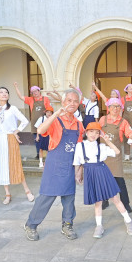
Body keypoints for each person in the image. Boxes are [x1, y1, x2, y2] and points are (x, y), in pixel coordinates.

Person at [23, 89, 83, 241]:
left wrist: (79, 170)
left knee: (69, 198)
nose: (72, 103)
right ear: (63, 102)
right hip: (55, 164)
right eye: (69, 100)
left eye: (75, 101)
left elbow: (80, 150)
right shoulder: (56, 120)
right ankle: (31, 225)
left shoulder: (78, 125)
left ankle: (67, 224)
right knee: (46, 196)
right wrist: (56, 114)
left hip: (70, 165)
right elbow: (41, 130)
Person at [73, 122, 132, 237]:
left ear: (99, 135)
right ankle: (99, 226)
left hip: (102, 172)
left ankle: (128, 221)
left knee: (115, 198)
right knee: (98, 201)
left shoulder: (101, 147)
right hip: (90, 173)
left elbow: (117, 152)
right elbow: (77, 162)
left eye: (97, 132)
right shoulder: (79, 146)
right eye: (91, 131)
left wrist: (107, 141)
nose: (93, 134)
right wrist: (77, 174)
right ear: (86, 132)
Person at [0, 86, 34, 204]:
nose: (4, 94)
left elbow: (25, 121)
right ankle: (7, 194)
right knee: (2, 166)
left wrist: (16, 131)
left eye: (6, 92)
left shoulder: (12, 108)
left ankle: (27, 191)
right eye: (1, 92)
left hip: (10, 138)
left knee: (16, 164)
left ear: (8, 96)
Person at [98, 96, 132, 212]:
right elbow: (96, 133)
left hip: (115, 154)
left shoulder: (123, 122)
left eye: (118, 106)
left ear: (121, 108)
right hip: (103, 154)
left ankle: (126, 204)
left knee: (119, 180)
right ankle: (104, 200)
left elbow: (129, 133)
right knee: (103, 179)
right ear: (108, 108)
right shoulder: (103, 119)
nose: (115, 108)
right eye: (113, 106)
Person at [13, 82, 52, 160]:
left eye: (36, 91)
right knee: (36, 139)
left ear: (39, 91)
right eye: (33, 92)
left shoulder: (45, 99)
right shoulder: (30, 100)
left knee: (47, 138)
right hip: (34, 123)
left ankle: (49, 154)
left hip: (44, 122)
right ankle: (38, 154)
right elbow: (20, 97)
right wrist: (16, 87)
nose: (35, 93)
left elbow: (49, 110)